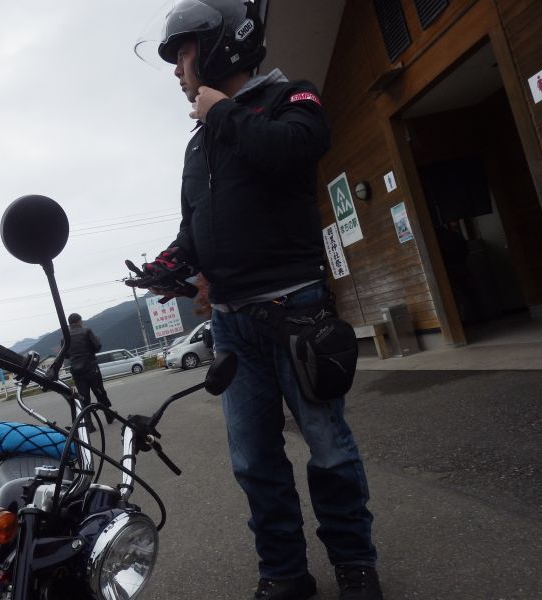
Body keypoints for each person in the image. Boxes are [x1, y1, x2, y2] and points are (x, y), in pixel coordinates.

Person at [128, 2, 383, 599]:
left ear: (220, 45)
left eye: (182, 54)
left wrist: (220, 113)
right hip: (231, 325)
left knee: (328, 447)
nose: (177, 71)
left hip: (295, 310)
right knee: (253, 460)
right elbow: (197, 225)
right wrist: (171, 264)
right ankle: (285, 573)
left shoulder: (290, 98)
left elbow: (295, 149)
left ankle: (355, 563)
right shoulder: (199, 144)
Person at [62, 313, 114, 428]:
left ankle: (89, 424)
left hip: (77, 371)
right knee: (99, 392)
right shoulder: (86, 331)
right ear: (79, 321)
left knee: (83, 397)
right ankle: (108, 415)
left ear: (70, 323)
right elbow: (97, 346)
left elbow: (65, 354)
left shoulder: (65, 337)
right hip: (91, 368)